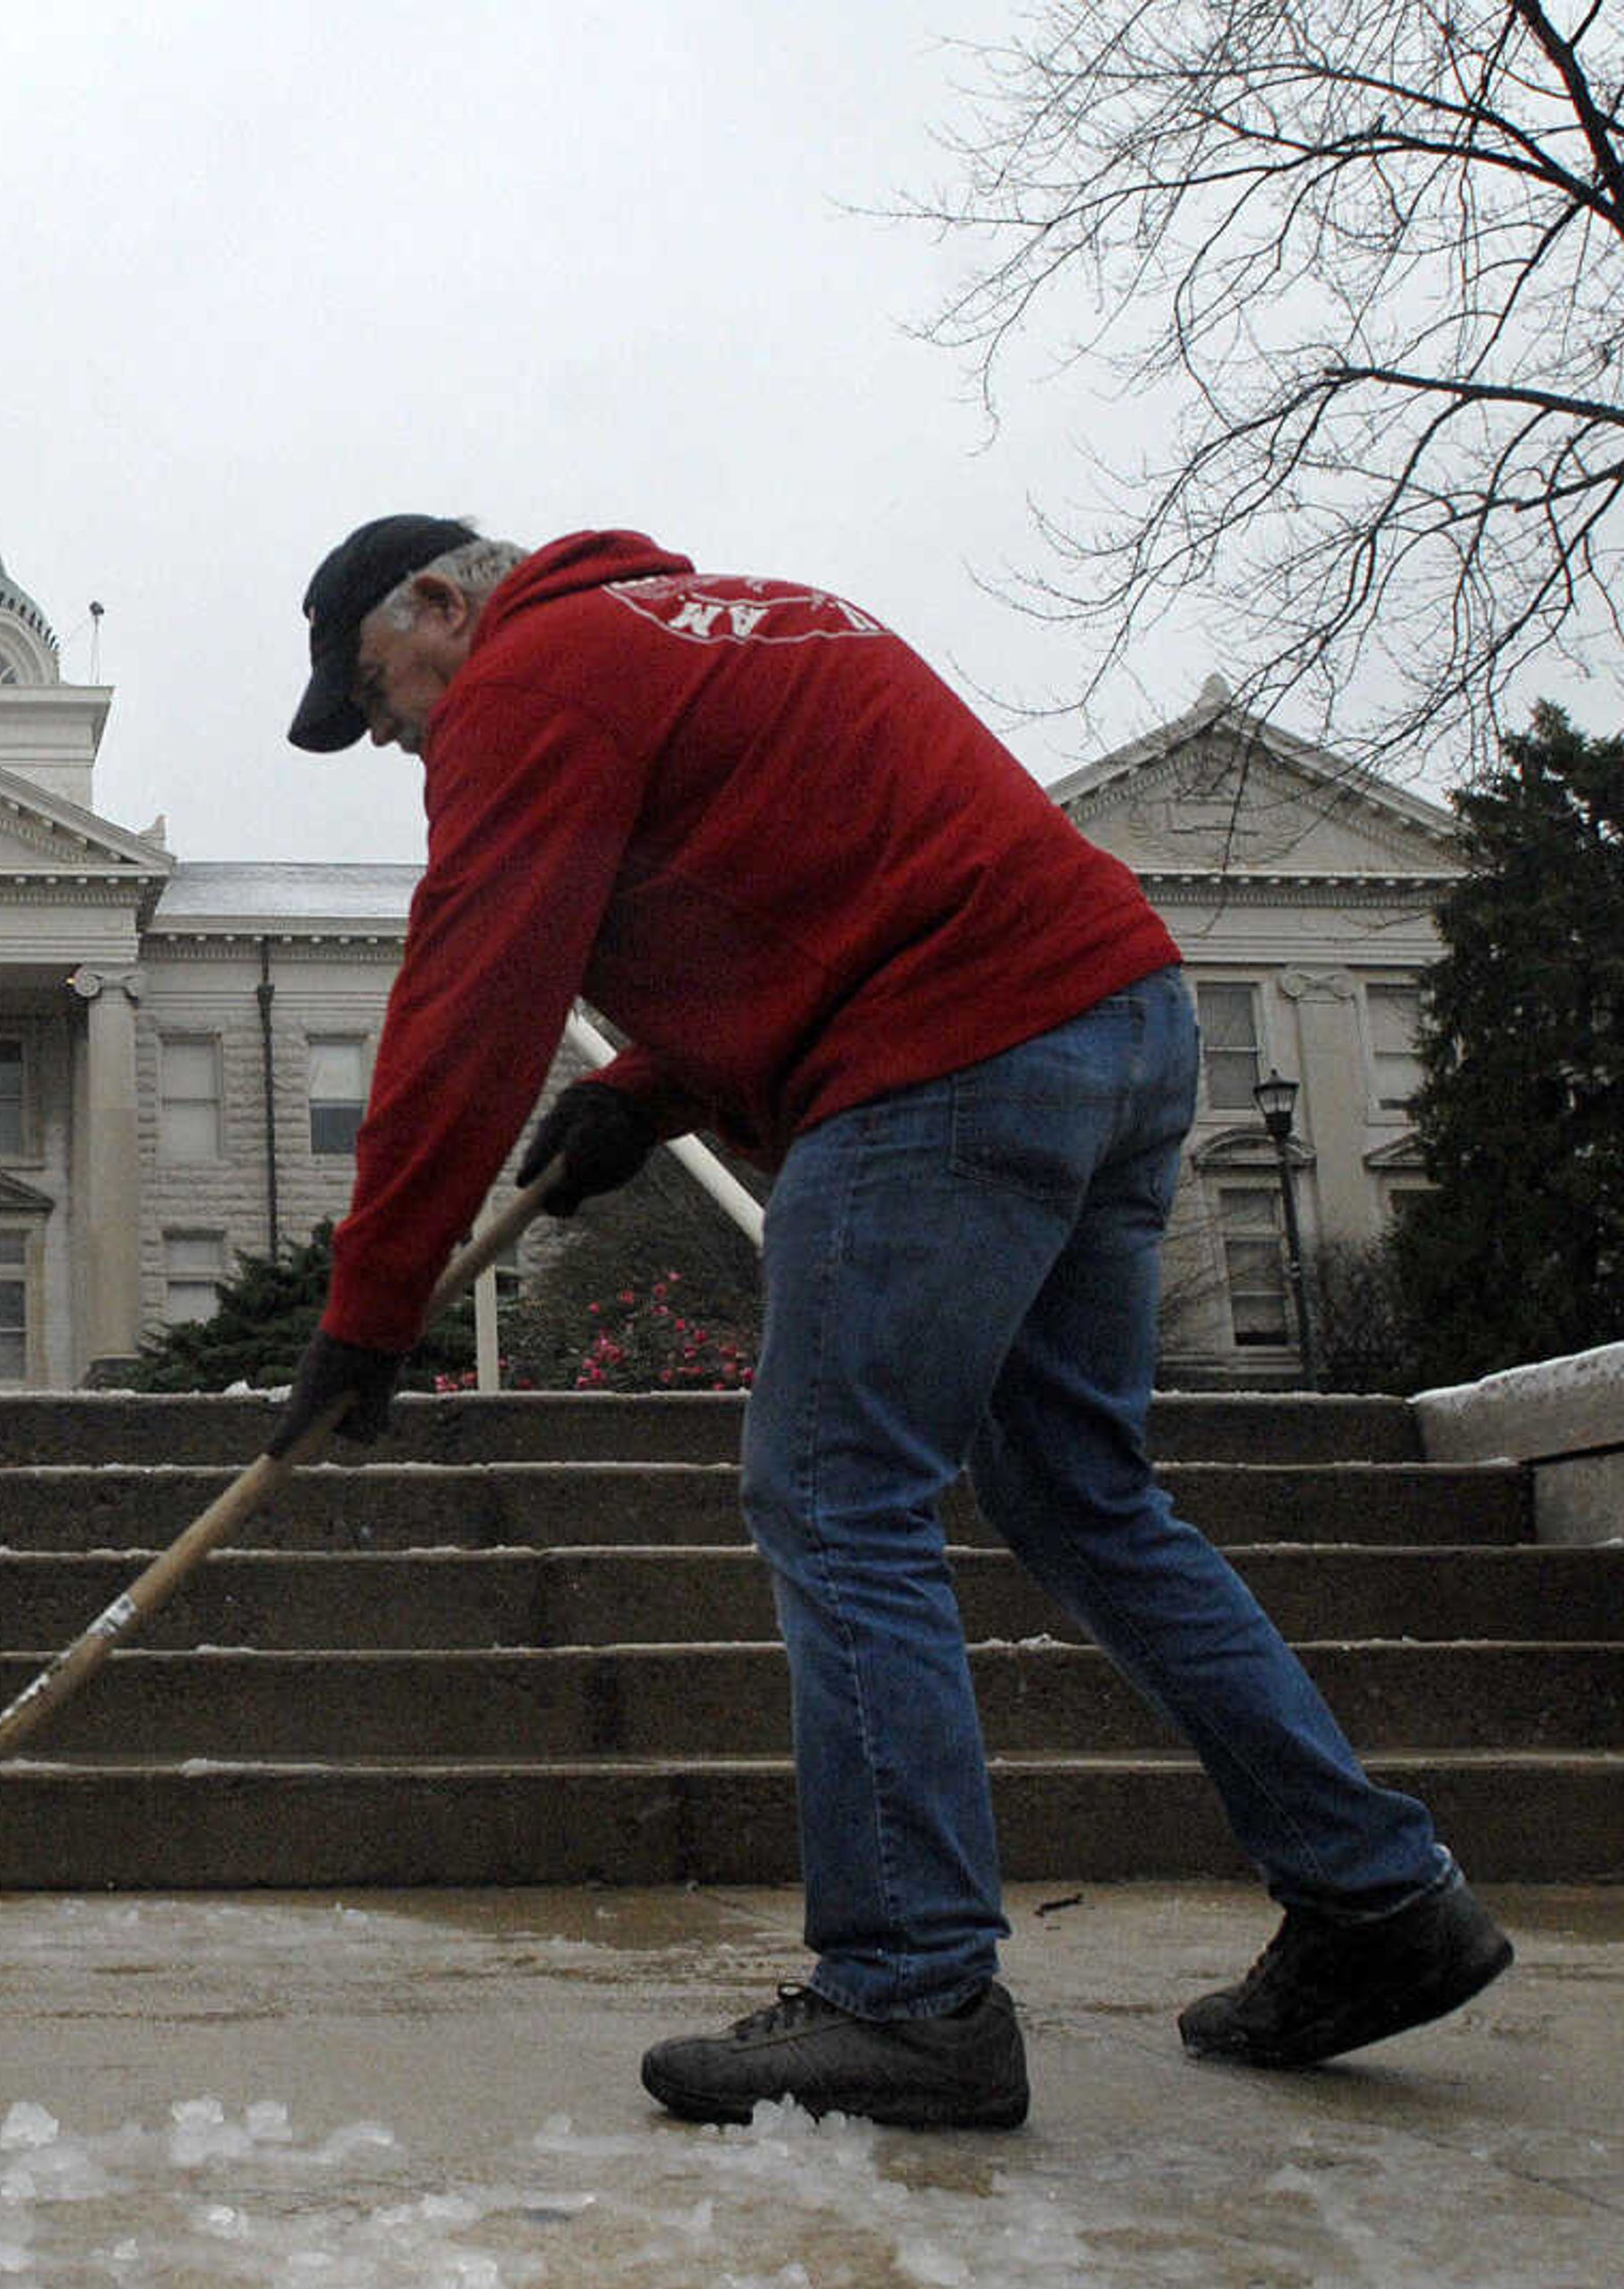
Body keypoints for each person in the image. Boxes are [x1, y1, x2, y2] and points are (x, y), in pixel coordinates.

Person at [270, 514, 1511, 2131]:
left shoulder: (535, 674)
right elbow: (829, 876)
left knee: (838, 1492)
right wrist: (646, 1092)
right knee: (1083, 1494)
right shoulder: (739, 609)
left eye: (381, 695)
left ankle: (910, 1990)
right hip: (1113, 1021)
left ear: (442, 602)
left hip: (948, 1056)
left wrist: (371, 1306)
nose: (393, 734)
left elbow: (473, 991)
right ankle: (1378, 1896)